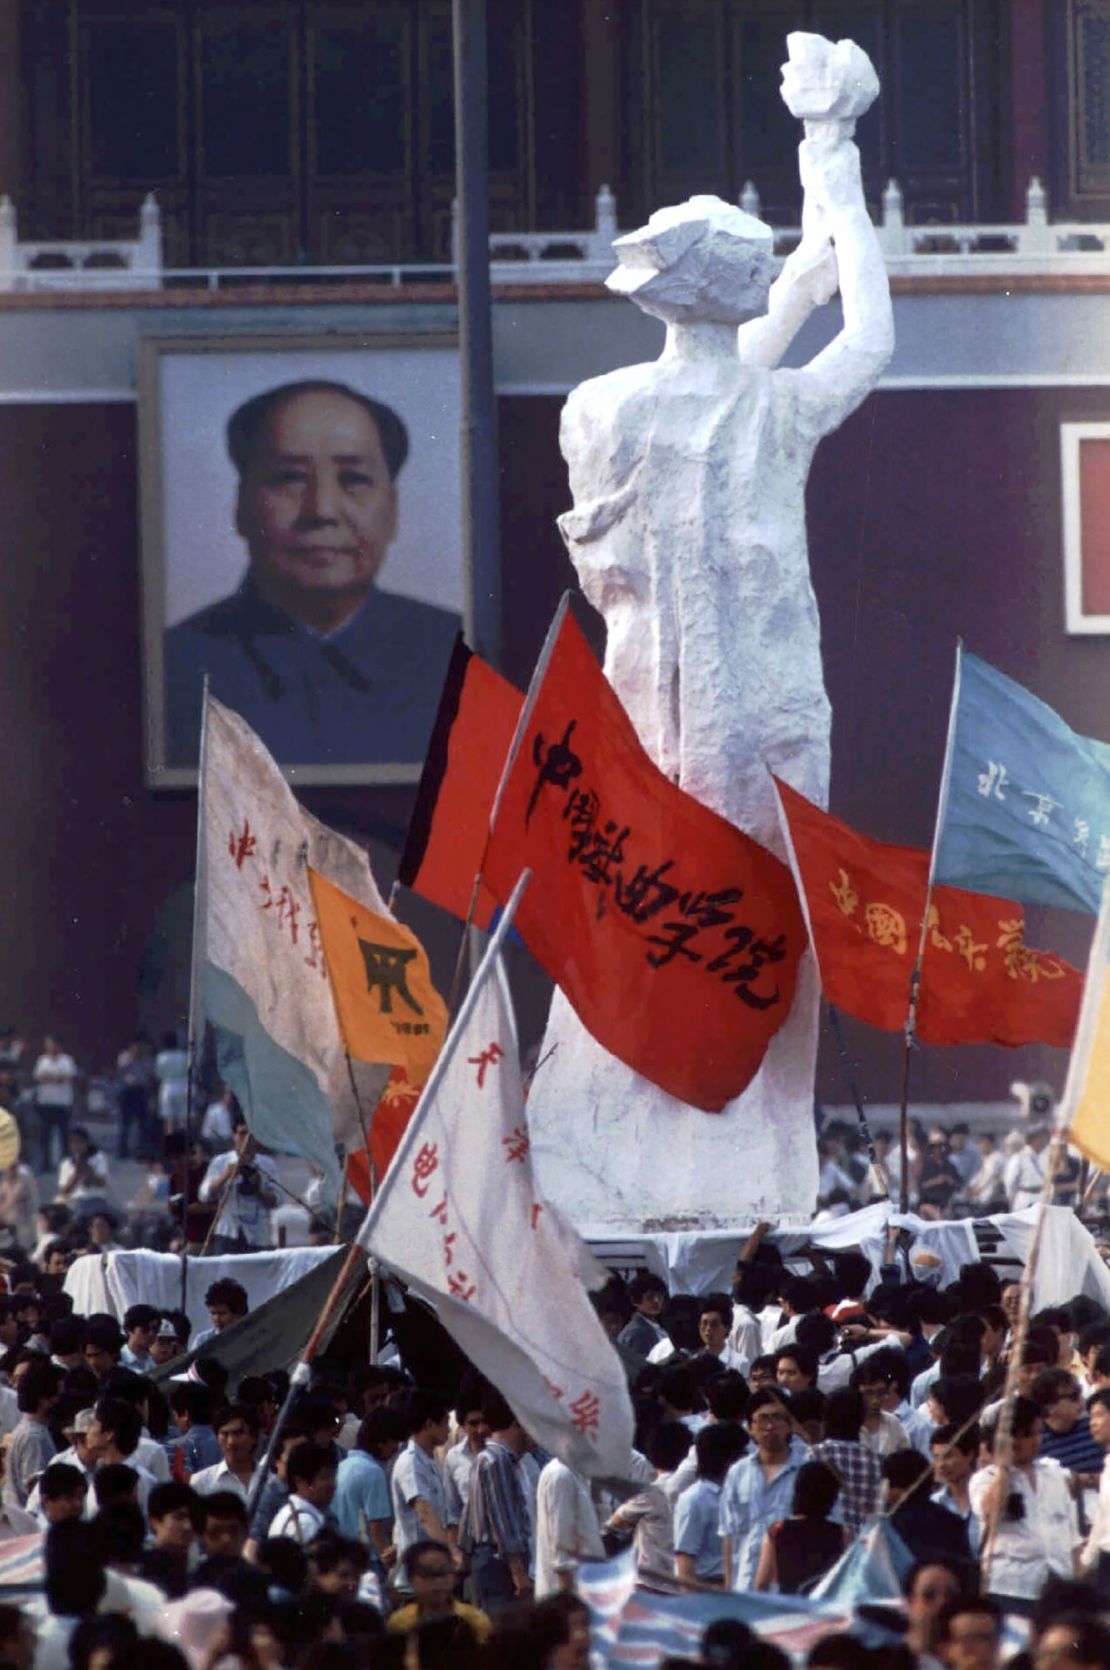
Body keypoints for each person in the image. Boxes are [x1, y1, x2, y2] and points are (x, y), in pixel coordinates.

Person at [164, 379, 461, 769]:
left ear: (393, 510)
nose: (321, 509)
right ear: (241, 506)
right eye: (289, 477)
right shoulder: (171, 668)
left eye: (353, 479)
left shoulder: (461, 657)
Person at [720, 1388, 809, 1591]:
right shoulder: (737, 1473)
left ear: (789, 1425)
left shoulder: (807, 1470)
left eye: (778, 1418)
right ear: (750, 1427)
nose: (770, 1426)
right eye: (762, 1419)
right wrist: (728, 1586)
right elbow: (728, 1534)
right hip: (744, 1585)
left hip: (790, 1590)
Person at [753, 1460, 845, 1594]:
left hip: (788, 1607)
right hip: (824, 1608)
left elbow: (761, 1584)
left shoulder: (776, 1530)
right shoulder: (842, 1533)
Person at [386, 1540, 492, 1644]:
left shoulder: (474, 1620)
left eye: (442, 1573)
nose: (437, 1581)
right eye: (427, 1574)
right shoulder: (400, 1623)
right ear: (411, 1578)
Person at [197, 1118, 278, 1253]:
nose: (247, 1140)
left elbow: (277, 1200)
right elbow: (204, 1195)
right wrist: (226, 1175)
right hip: (228, 1233)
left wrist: (258, 1189)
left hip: (257, 1235)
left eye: (251, 1135)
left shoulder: (267, 1165)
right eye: (242, 1134)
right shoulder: (221, 1162)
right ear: (234, 1136)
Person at [32, 1037, 77, 1173]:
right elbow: (38, 1077)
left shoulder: (67, 1060)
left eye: (53, 1045)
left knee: (64, 1136)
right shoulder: (42, 1060)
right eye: (48, 1045)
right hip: (45, 1103)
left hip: (62, 1103)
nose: (50, 1048)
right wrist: (56, 1077)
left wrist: (50, 1077)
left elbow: (67, 1077)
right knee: (45, 1135)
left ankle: (66, 1164)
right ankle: (45, 1163)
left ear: (59, 1046)